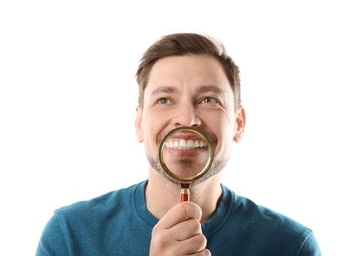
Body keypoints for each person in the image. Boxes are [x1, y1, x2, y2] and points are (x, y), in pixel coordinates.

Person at [36, 33, 322, 255]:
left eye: (209, 99)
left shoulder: (292, 246)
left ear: (238, 123)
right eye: (164, 100)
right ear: (139, 123)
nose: (187, 118)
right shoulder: (70, 235)